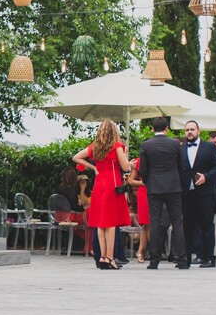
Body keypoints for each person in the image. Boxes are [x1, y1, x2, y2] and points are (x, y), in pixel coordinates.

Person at [74, 119, 132, 269]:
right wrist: (127, 157)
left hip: (99, 184)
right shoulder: (118, 146)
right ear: (114, 131)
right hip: (112, 185)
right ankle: (110, 258)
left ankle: (102, 257)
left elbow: (76, 157)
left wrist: (92, 168)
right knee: (111, 224)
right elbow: (125, 167)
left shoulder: (95, 147)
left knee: (100, 224)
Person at [136, 115, 188, 269]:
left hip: (154, 187)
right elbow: (182, 167)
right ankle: (182, 259)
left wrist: (147, 181)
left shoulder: (146, 145)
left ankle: (154, 260)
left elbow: (143, 170)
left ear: (153, 129)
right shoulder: (175, 144)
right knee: (177, 222)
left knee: (155, 222)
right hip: (173, 186)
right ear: (167, 129)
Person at [180, 121, 216, 267]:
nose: (189, 132)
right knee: (187, 226)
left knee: (207, 225)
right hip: (187, 193)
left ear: (199, 131)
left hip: (206, 193)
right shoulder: (181, 148)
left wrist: (206, 177)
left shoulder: (209, 147)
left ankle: (209, 257)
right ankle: (186, 259)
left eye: (192, 129)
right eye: (187, 130)